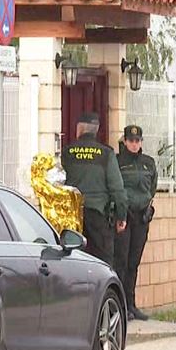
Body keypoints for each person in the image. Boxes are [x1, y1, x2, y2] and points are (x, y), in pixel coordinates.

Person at [61, 112, 129, 266]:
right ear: (96, 130)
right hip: (98, 215)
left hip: (73, 217)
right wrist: (122, 216)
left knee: (74, 261)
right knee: (102, 263)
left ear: (79, 129)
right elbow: (117, 188)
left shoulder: (67, 152)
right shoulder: (106, 154)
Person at [116, 125, 158, 321]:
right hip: (124, 217)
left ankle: (131, 305)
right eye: (131, 141)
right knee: (121, 262)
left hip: (141, 218)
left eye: (137, 141)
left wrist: (146, 205)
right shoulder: (117, 162)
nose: (134, 144)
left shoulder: (148, 163)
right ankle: (121, 305)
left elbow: (152, 188)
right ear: (125, 141)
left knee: (134, 262)